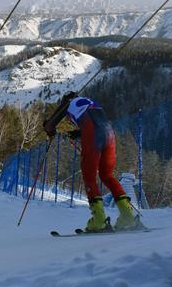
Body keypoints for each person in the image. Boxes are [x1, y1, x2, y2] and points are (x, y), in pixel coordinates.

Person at [44, 92, 140, 232]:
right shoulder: (89, 101)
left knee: (89, 175)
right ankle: (127, 215)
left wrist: (48, 127)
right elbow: (96, 121)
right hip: (109, 133)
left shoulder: (68, 104)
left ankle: (99, 220)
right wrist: (79, 133)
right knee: (107, 175)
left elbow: (50, 126)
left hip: (92, 132)